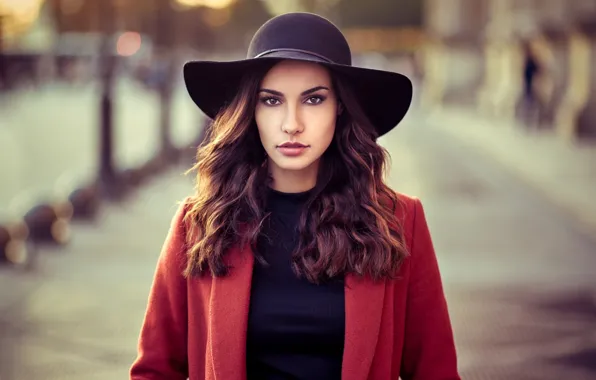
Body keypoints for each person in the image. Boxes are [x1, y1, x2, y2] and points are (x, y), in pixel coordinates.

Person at [130, 12, 460, 380]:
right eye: (271, 101)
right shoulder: (199, 224)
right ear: (250, 111)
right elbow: (155, 370)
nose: (291, 123)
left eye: (314, 99)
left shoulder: (400, 221)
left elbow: (436, 371)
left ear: (340, 107)